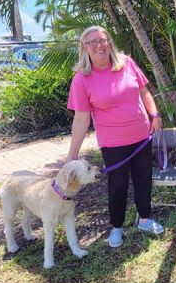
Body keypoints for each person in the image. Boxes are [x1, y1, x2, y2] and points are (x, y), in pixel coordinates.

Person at [66, 26, 164, 248]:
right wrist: (73, 154)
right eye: (92, 42)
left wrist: (154, 114)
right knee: (117, 186)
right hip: (113, 143)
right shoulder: (81, 79)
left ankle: (145, 219)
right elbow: (82, 120)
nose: (98, 45)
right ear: (84, 47)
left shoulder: (126, 63)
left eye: (102, 40)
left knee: (143, 180)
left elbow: (144, 91)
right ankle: (117, 227)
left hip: (142, 137)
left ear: (109, 42)